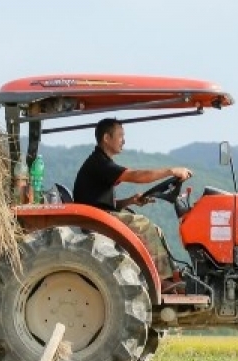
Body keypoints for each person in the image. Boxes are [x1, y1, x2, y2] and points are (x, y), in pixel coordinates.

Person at [72, 118, 192, 289]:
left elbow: (100, 202)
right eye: (120, 136)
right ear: (107, 138)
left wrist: (130, 201)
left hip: (100, 215)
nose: (124, 141)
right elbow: (136, 176)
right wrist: (171, 171)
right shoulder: (100, 163)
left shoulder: (101, 163)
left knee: (156, 230)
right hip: (96, 220)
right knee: (143, 225)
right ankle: (162, 280)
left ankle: (172, 276)